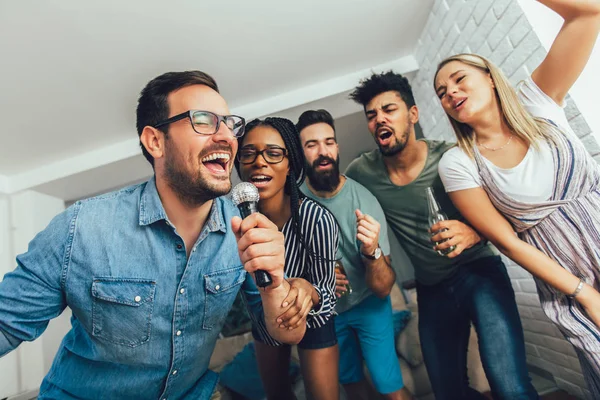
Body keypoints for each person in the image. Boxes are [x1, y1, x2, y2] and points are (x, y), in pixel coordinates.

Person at [0, 70, 305, 400]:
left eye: (229, 124)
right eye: (203, 120)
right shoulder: (81, 228)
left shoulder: (244, 227)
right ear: (155, 141)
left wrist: (276, 283)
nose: (226, 137)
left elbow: (288, 332)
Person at [433, 0, 600, 393]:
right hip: (569, 279)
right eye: (442, 92)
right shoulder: (460, 162)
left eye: (458, 79)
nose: (451, 92)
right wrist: (585, 293)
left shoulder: (538, 100)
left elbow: (588, 12)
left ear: (489, 77)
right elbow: (507, 241)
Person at [345, 71, 539, 399]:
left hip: (480, 275)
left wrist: (476, 232)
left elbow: (511, 210)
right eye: (372, 115)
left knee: (509, 385)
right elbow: (332, 200)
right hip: (431, 288)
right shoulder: (361, 173)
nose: (380, 119)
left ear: (413, 114)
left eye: (389, 109)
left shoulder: (452, 156)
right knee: (448, 392)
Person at [296, 109, 413, 400]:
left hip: (369, 304)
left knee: (389, 388)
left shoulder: (364, 200)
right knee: (350, 384)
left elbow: (384, 287)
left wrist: (372, 251)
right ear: (300, 155)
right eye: (312, 145)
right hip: (326, 314)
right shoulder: (292, 205)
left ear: (337, 147)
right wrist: (312, 276)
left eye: (329, 142)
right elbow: (285, 266)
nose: (323, 151)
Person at [234, 117, 339, 400]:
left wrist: (308, 291)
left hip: (313, 320)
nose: (259, 161)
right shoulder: (233, 223)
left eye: (273, 153)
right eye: (248, 153)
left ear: (290, 163)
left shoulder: (316, 219)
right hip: (264, 323)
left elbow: (329, 293)